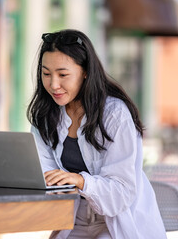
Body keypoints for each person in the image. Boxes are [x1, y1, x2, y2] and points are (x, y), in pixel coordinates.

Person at [27, 29, 166, 239]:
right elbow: (45, 176)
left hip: (119, 221)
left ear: (85, 72)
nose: (53, 84)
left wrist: (79, 181)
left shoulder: (114, 114)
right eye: (46, 74)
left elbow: (121, 192)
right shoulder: (45, 115)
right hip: (72, 218)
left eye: (63, 75)